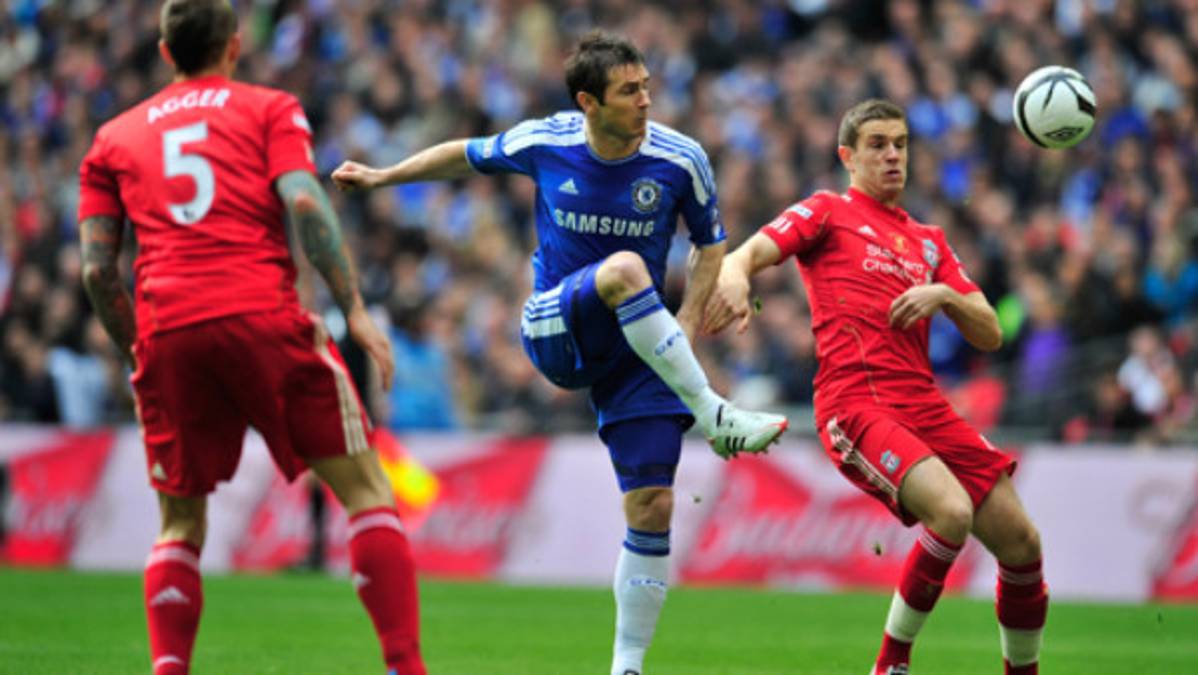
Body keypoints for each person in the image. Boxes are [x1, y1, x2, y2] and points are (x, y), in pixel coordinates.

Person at [333, 30, 788, 675]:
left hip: (641, 347)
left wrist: (686, 325)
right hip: (555, 327)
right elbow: (464, 155)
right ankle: (714, 413)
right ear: (588, 102)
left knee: (652, 505)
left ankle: (626, 666)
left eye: (646, 87)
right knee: (626, 268)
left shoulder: (681, 159)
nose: (646, 100)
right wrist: (384, 176)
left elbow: (710, 243)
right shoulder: (545, 141)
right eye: (629, 91)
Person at [76, 2, 425, 673]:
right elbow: (304, 200)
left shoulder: (112, 138)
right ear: (234, 47)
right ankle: (405, 666)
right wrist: (353, 307)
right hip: (260, 312)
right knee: (366, 491)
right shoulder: (269, 108)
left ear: (164, 52)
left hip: (168, 327)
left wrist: (137, 350)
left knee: (179, 524)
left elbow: (96, 270)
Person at [703, 99, 1048, 675]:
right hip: (856, 403)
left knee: (1022, 543)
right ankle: (890, 665)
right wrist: (736, 278)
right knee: (952, 513)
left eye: (901, 144)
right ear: (848, 156)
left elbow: (989, 331)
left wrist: (944, 296)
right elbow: (750, 252)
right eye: (878, 145)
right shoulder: (827, 211)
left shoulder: (929, 241)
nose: (893, 155)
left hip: (925, 403)